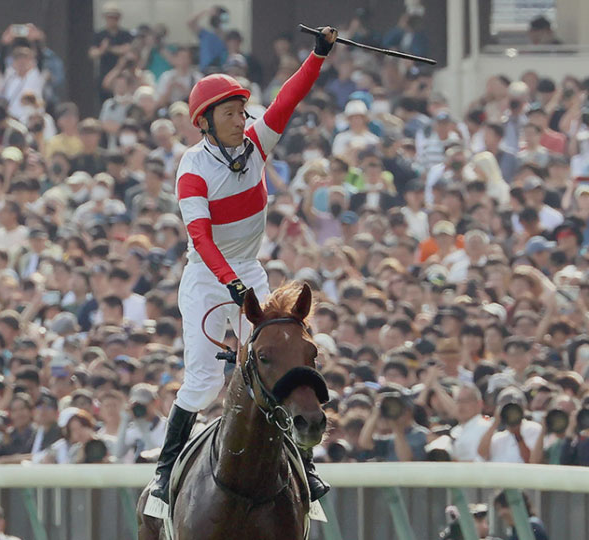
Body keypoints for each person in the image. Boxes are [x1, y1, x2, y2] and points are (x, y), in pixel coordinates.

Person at [148, 26, 338, 505]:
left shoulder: (256, 143)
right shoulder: (192, 167)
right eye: (229, 113)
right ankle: (164, 473)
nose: (240, 120)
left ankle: (305, 464)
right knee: (204, 382)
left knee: (284, 358)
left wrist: (317, 55)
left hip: (248, 272)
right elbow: (200, 238)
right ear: (205, 121)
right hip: (208, 278)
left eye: (241, 111)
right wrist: (231, 283)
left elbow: (288, 99)